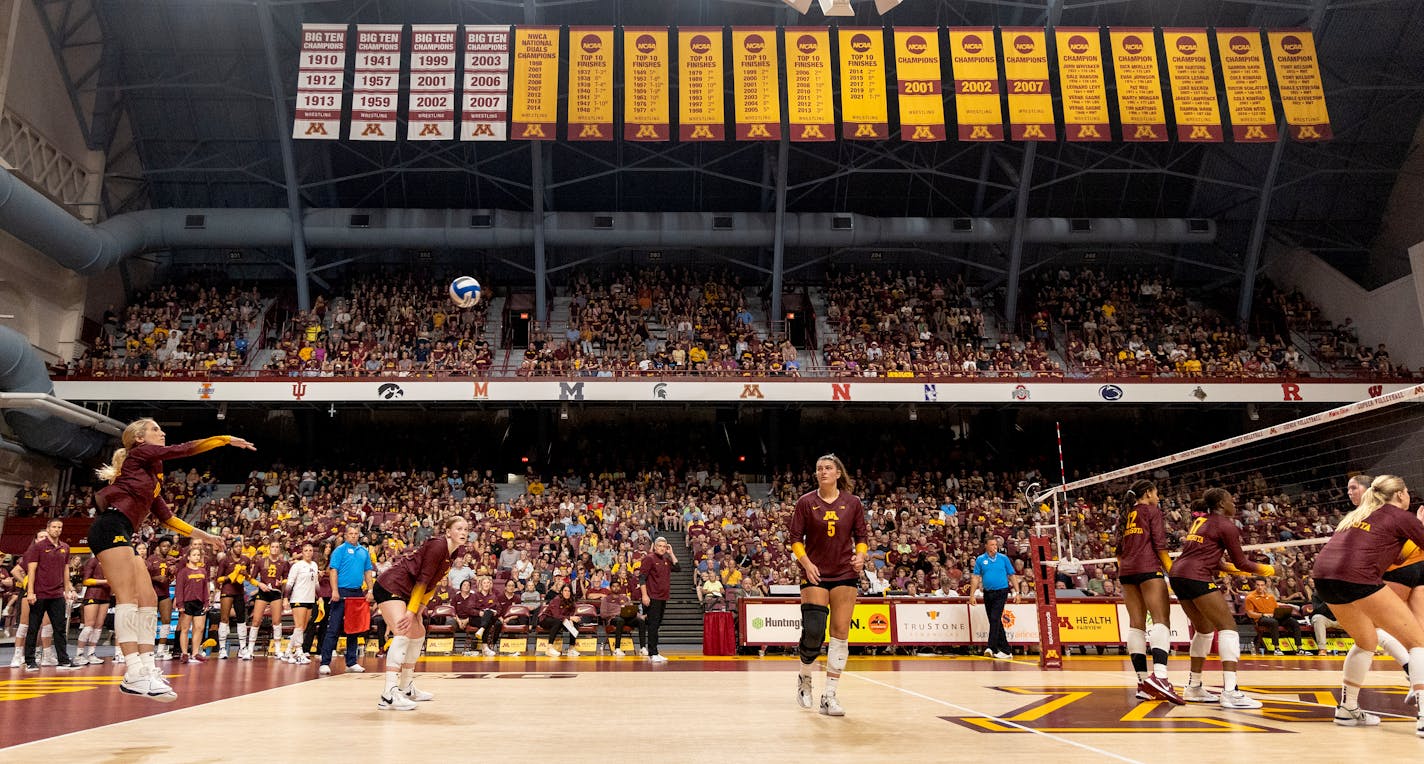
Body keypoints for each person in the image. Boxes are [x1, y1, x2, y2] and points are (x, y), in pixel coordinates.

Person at [90, 418, 253, 700]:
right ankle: (133, 672)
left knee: (149, 599)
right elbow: (183, 450)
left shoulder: (151, 478)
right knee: (128, 598)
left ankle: (148, 668)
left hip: (124, 532)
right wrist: (224, 438)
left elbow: (168, 519)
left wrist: (207, 537)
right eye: (155, 429)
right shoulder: (138, 454)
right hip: (109, 528)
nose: (162, 432)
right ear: (139, 438)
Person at [1309, 474, 1424, 733]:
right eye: (1406, 491)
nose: (1408, 495)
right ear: (1399, 495)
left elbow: (1392, 558)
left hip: (1323, 578)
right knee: (1418, 642)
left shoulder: (1359, 515)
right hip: (1356, 578)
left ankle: (1348, 708)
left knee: (1366, 641)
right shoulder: (1401, 516)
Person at [1169, 489, 1272, 709]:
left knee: (1204, 630)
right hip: (1196, 576)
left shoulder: (1202, 521)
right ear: (1222, 503)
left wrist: (1234, 571)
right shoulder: (1225, 524)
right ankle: (1231, 692)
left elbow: (1216, 562)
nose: (1234, 503)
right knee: (1228, 628)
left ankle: (1194, 687)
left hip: (1178, 575)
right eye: (1231, 500)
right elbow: (1243, 562)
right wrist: (1270, 570)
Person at [790, 454, 868, 717]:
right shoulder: (805, 502)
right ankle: (805, 678)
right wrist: (806, 562)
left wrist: (861, 555)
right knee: (813, 630)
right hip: (815, 573)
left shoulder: (853, 502)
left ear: (838, 473)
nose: (822, 472)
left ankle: (830, 695)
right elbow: (794, 538)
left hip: (845, 572)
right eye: (819, 468)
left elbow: (862, 536)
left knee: (840, 633)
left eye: (828, 468)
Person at [371, 515, 469, 711]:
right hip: (391, 585)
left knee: (418, 634)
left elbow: (431, 584)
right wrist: (410, 611)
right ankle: (388, 694)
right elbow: (422, 580)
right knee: (403, 631)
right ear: (448, 532)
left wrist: (419, 609)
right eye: (459, 528)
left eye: (466, 529)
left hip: (407, 591)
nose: (464, 532)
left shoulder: (454, 552)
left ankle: (406, 688)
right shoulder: (438, 545)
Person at [1114, 480, 1184, 704]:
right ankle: (1161, 677)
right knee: (1161, 619)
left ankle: (1143, 683)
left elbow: (1118, 550)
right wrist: (1173, 573)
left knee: (1136, 623)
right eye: (1156, 492)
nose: (1158, 496)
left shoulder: (1125, 514)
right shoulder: (1152, 511)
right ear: (1147, 493)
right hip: (1147, 568)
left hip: (1126, 571)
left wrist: (1126, 568)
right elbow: (1160, 545)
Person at [21, 518, 80, 671]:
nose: (56, 530)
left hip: (57, 595)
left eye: (59, 527)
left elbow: (66, 570)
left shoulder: (65, 547)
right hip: (39, 594)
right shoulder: (38, 547)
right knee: (33, 628)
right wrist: (30, 592)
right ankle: (30, 661)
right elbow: (32, 570)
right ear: (48, 529)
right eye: (54, 527)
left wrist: (67, 590)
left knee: (59, 629)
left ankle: (63, 660)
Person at [319, 525, 375, 675]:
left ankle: (351, 662)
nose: (353, 536)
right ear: (345, 535)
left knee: (354, 628)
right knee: (334, 627)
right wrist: (335, 590)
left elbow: (368, 571)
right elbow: (333, 571)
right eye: (350, 533)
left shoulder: (364, 551)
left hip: (357, 593)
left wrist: (370, 590)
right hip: (341, 591)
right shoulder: (339, 550)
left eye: (356, 534)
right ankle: (325, 662)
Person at [971, 537, 1020, 661]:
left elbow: (1012, 575)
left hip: (1001, 592)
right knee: (995, 620)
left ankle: (991, 647)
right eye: (992, 545)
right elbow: (976, 577)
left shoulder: (1003, 558)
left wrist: (1017, 592)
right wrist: (972, 595)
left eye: (995, 545)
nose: (994, 547)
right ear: (986, 546)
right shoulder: (981, 559)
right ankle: (1006, 650)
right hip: (988, 593)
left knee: (994, 618)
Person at [639, 536, 681, 665]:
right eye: (660, 546)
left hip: (663, 597)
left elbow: (678, 568)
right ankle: (652, 653)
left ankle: (655, 652)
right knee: (652, 625)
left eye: (665, 546)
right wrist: (644, 596)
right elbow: (641, 578)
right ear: (655, 547)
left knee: (656, 626)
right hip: (653, 597)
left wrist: (671, 553)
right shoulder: (649, 558)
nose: (662, 549)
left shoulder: (666, 560)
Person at [243, 545, 288, 660]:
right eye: (273, 547)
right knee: (256, 620)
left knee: (277, 621)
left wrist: (281, 582)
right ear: (269, 549)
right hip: (263, 593)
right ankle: (250, 650)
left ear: (279, 549)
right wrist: (260, 584)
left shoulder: (283, 563)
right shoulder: (261, 561)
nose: (275, 549)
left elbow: (287, 579)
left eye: (277, 547)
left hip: (276, 593)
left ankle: (278, 650)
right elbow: (251, 578)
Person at [1244, 577, 1303, 655]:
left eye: (1262, 585)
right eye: (1258, 585)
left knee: (1293, 621)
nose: (1260, 587)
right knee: (1273, 622)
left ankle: (1299, 649)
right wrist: (1263, 614)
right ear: (1255, 586)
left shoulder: (1271, 597)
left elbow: (1276, 609)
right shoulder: (1250, 597)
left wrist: (1281, 614)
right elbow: (1250, 614)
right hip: (1261, 618)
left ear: (1265, 586)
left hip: (1274, 616)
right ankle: (1277, 648)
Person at [173, 544, 211, 663]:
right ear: (188, 557)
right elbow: (179, 589)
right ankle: (184, 653)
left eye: (198, 555)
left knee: (199, 628)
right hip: (187, 603)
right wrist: (180, 605)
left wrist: (206, 602)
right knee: (185, 628)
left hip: (199, 603)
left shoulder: (203, 571)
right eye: (194, 555)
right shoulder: (183, 572)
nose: (196, 557)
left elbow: (205, 588)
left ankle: (195, 653)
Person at [214, 541, 250, 659]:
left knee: (241, 618)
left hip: (239, 591)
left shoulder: (246, 559)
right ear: (231, 548)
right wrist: (230, 577)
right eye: (237, 546)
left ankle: (243, 648)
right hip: (227, 591)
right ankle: (222, 648)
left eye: (241, 546)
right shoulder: (225, 560)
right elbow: (218, 579)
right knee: (224, 618)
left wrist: (246, 575)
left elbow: (249, 577)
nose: (239, 548)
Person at [286, 543, 320, 665]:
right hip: (298, 598)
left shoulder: (315, 565)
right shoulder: (297, 566)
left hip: (310, 599)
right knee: (299, 626)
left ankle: (289, 650)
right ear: (302, 552)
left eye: (311, 550)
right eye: (306, 550)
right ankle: (299, 651)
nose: (309, 552)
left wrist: (319, 597)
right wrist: (285, 598)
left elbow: (316, 583)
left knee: (303, 627)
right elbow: (289, 583)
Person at [146, 537, 177, 661]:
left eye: (168, 546)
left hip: (165, 593)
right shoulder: (151, 559)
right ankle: (148, 650)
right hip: (152, 593)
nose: (166, 548)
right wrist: (155, 578)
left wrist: (172, 574)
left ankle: (160, 649)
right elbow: (144, 577)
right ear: (158, 547)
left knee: (166, 620)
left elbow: (171, 579)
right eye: (164, 546)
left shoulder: (171, 561)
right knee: (149, 621)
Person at [78, 553, 111, 664]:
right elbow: (86, 581)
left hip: (105, 596)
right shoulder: (93, 561)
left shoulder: (111, 561)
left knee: (98, 627)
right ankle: (79, 654)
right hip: (92, 595)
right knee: (89, 626)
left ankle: (91, 653)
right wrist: (105, 581)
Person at [538, 582, 582, 657]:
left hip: (561, 620)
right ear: (561, 592)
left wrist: (571, 620)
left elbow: (571, 613)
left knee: (575, 623)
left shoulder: (572, 601)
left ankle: (571, 649)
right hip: (546, 619)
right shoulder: (557, 599)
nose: (567, 593)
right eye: (565, 591)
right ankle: (549, 648)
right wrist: (570, 618)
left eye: (569, 591)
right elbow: (556, 615)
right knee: (558, 621)